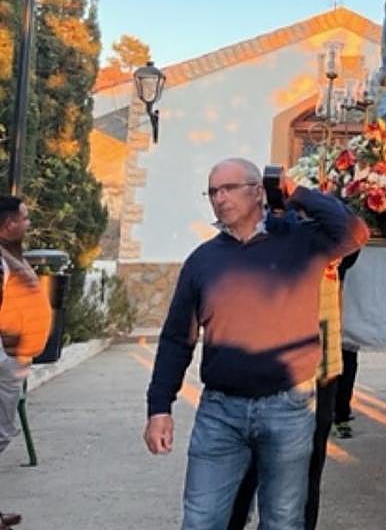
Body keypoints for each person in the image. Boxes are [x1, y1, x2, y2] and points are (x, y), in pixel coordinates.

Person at [144, 158, 365, 530]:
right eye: (213, 191)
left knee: (282, 520)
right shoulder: (203, 261)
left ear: (258, 191)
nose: (220, 198)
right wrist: (159, 408)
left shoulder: (300, 242)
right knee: (200, 519)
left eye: (229, 188)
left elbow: (354, 231)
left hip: (288, 408)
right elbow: (176, 340)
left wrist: (294, 192)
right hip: (219, 413)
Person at [227, 245, 364, 530]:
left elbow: (351, 242)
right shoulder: (262, 233)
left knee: (307, 467)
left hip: (321, 363)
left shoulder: (333, 231)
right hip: (267, 361)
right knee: (248, 461)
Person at [0, 195, 52, 529]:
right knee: (1, 432)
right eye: (25, 217)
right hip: (5, 361)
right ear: (9, 224)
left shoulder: (10, 254)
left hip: (12, 360)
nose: (28, 223)